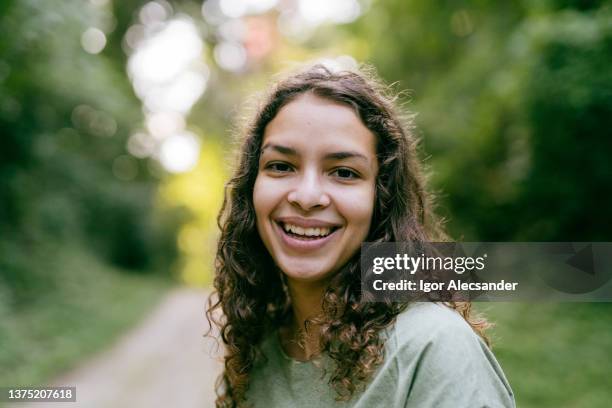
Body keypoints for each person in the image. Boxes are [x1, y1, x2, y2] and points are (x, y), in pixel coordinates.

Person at [207, 63, 515, 407]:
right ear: (251, 188)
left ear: (379, 199)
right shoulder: (256, 354)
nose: (307, 197)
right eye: (281, 166)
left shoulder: (432, 346)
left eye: (343, 172)